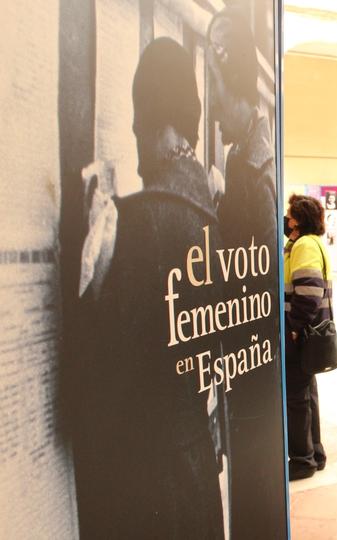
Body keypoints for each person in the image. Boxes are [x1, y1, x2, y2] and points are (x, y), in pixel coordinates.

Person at [76, 37, 224, 539]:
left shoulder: (135, 223)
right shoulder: (213, 215)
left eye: (139, 127)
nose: (136, 147)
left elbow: (107, 369)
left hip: (146, 484)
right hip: (197, 469)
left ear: (159, 124)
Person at [206, 8, 283, 537]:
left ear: (241, 96)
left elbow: (248, 278)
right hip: (255, 362)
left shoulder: (249, 173)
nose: (213, 118)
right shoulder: (248, 159)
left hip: (251, 365)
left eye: (219, 101)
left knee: (253, 486)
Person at [283, 194, 331, 480]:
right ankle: (316, 453)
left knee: (297, 397)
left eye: (290, 216)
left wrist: (294, 326)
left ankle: (302, 460)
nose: (287, 221)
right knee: (307, 393)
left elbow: (310, 290)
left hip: (301, 333)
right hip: (308, 332)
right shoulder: (311, 244)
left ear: (298, 219)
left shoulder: (303, 245)